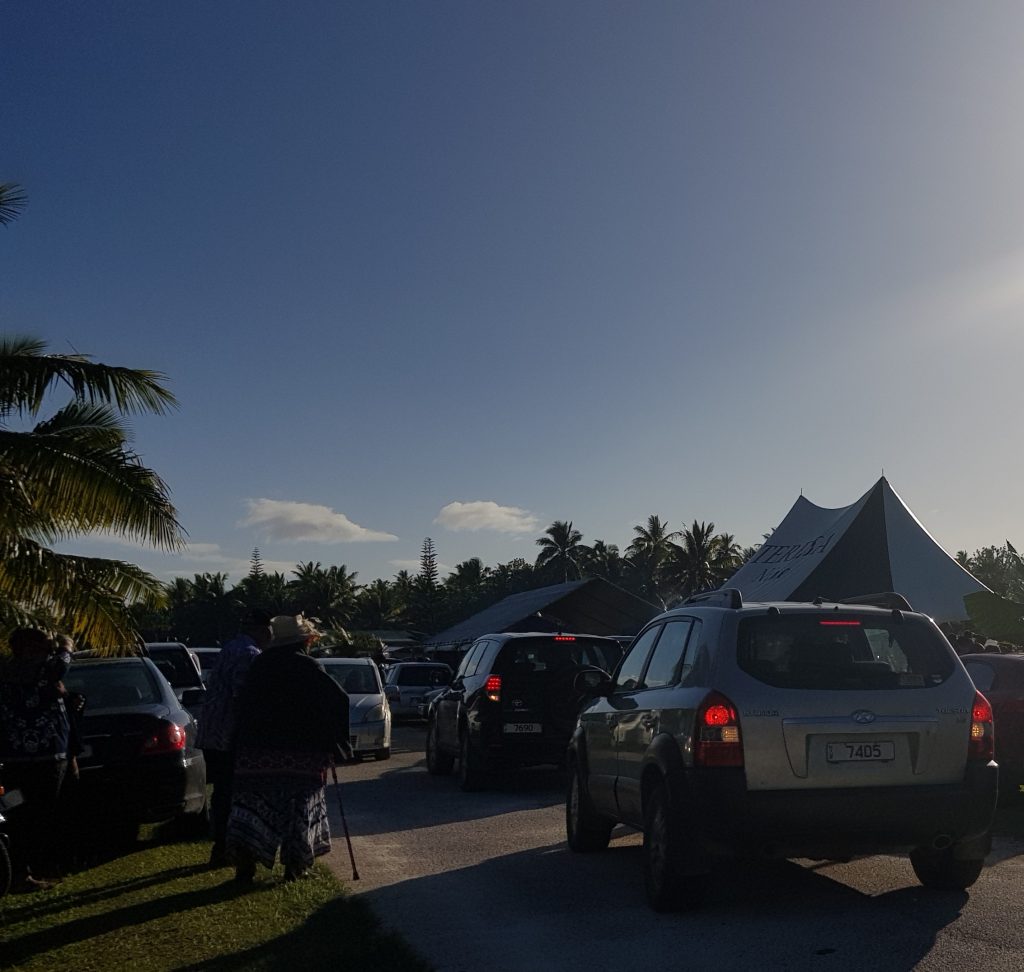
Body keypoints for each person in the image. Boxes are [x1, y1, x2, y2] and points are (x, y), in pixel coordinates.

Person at [225, 614, 352, 884]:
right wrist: (334, 740)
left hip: (256, 750)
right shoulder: (308, 666)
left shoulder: (260, 664)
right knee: (299, 810)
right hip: (301, 752)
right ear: (305, 640)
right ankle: (295, 868)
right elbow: (338, 700)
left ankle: (244, 867)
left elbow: (242, 703)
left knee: (252, 807)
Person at [196, 609, 273, 867]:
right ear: (263, 630)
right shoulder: (250, 655)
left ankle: (221, 845)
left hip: (212, 732)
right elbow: (243, 696)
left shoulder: (230, 647)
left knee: (221, 792)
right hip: (229, 735)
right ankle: (228, 848)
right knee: (233, 793)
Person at [0, 627, 73, 892]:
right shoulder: (45, 670)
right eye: (45, 648)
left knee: (20, 814)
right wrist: (65, 645)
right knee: (37, 816)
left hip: (14, 758)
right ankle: (25, 872)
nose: (49, 653)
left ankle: (23, 870)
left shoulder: (7, 671)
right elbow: (63, 663)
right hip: (44, 757)